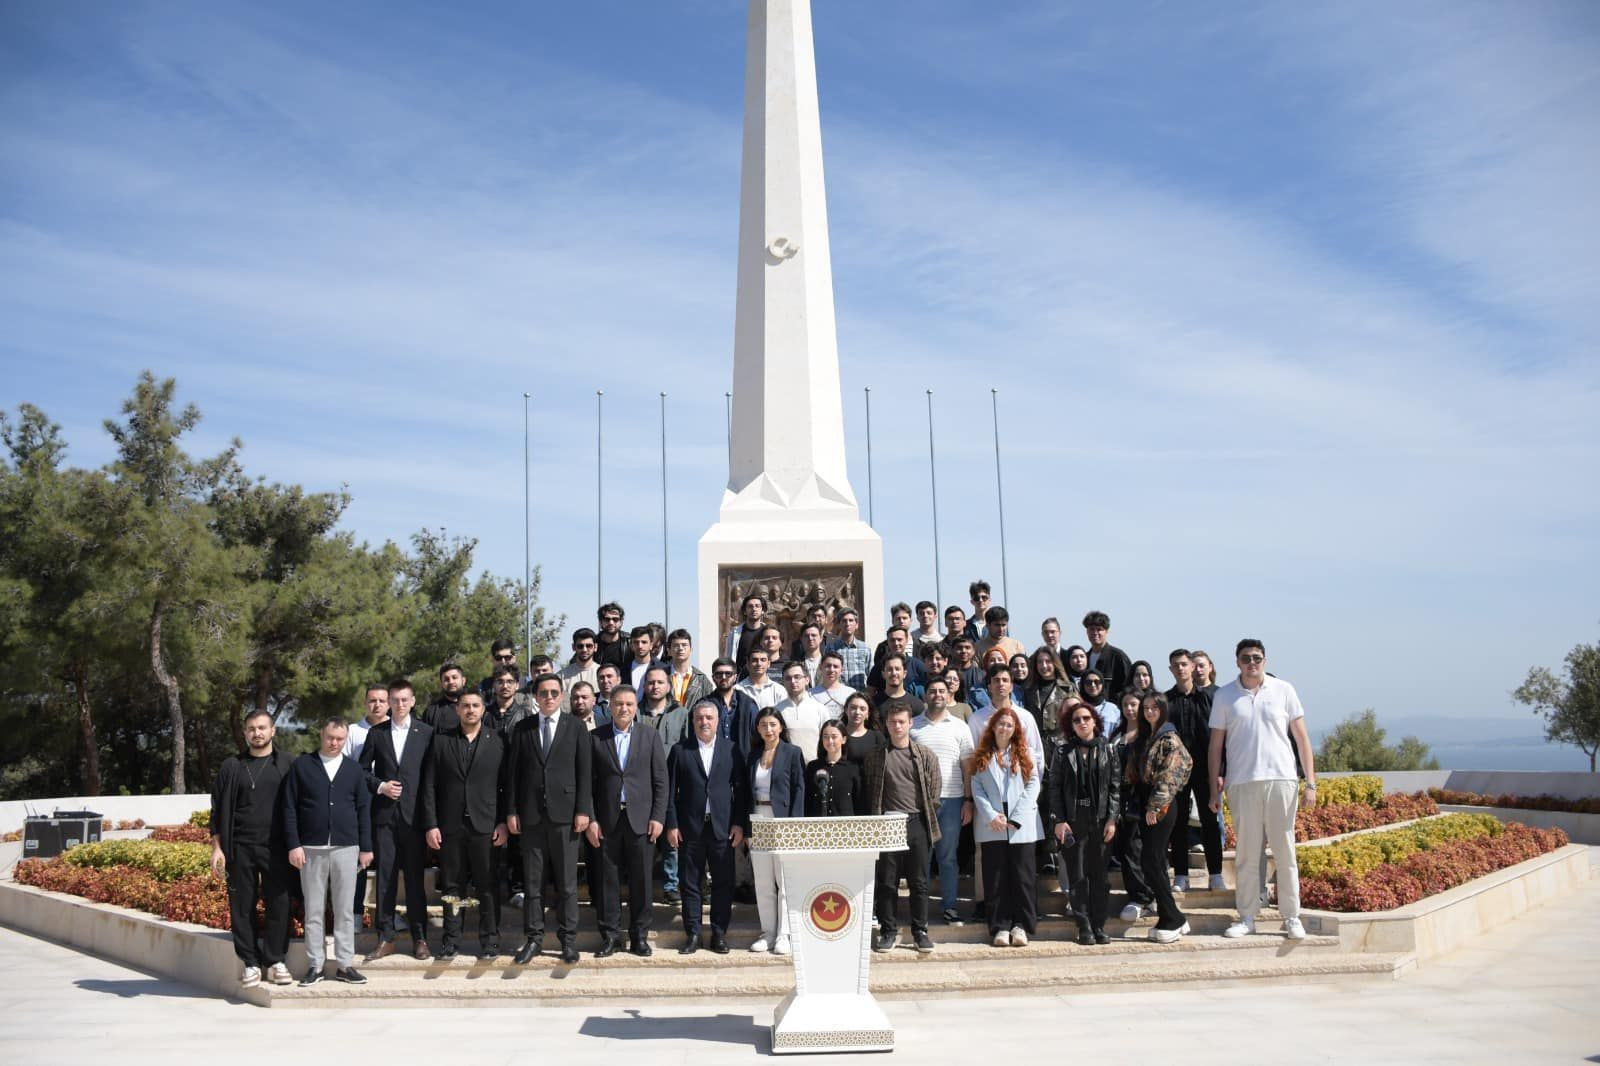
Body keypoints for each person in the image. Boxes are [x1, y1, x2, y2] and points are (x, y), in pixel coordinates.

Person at [1208, 639, 1317, 941]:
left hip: (1282, 780)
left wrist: (1310, 782)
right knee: (1247, 853)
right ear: (1238, 662)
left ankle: (1291, 916)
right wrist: (1213, 789)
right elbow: (1215, 747)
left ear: (1265, 661)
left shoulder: (1284, 690)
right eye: (1246, 658)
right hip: (1242, 783)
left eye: (1257, 658)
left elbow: (1302, 739)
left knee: (1285, 851)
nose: (1252, 663)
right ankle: (1246, 917)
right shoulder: (1226, 696)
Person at [505, 673, 593, 965]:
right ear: (535, 696)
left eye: (555, 692)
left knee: (567, 885)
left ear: (562, 696)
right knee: (533, 885)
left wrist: (583, 810)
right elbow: (513, 775)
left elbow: (584, 773)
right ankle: (534, 940)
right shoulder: (522, 728)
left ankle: (568, 941)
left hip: (566, 817)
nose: (550, 697)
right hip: (530, 818)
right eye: (544, 693)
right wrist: (512, 811)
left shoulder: (576, 727)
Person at [282, 717, 373, 985]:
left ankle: (345, 965)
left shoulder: (354, 770)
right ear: (321, 735)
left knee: (345, 910)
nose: (334, 743)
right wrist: (293, 844)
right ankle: (316, 966)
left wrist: (366, 847)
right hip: (310, 849)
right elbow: (289, 808)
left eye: (340, 739)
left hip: (347, 847)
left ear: (346, 739)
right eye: (330, 737)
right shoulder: (302, 766)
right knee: (313, 910)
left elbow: (363, 810)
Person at [209, 708, 295, 988]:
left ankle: (275, 960)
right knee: (242, 906)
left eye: (262, 728)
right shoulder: (231, 767)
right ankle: (250, 963)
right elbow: (217, 811)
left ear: (273, 731)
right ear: (245, 733)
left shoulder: (288, 764)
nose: (257, 733)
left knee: (279, 904)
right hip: (239, 848)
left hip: (278, 848)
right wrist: (217, 848)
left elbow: (300, 807)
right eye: (251, 729)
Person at [420, 691, 508, 960]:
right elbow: (429, 786)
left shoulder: (499, 741)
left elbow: (506, 787)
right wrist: (431, 824)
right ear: (457, 710)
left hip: (486, 825)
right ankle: (451, 941)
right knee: (451, 886)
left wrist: (503, 822)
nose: (470, 710)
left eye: (475, 705)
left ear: (484, 709)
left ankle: (490, 941)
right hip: (450, 826)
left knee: (487, 885)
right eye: (465, 706)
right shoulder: (440, 740)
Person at [587, 684, 668, 958]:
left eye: (629, 704)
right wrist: (591, 820)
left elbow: (661, 782)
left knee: (642, 882)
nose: (624, 709)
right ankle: (609, 936)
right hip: (607, 821)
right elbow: (587, 784)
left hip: (641, 821)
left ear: (636, 707)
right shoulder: (595, 738)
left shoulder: (650, 736)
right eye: (618, 704)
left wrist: (658, 817)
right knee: (607, 882)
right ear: (610, 706)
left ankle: (639, 937)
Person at [359, 678, 434, 961]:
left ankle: (420, 938)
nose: (400, 704)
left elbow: (431, 778)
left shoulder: (427, 732)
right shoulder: (376, 733)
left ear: (413, 701)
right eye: (395, 700)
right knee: (386, 880)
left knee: (415, 880)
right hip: (386, 818)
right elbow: (362, 772)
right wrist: (381, 786)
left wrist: (430, 820)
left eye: (405, 700)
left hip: (415, 818)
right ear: (388, 702)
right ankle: (386, 937)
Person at [665, 701, 748, 955]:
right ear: (693, 721)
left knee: (723, 883)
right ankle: (693, 934)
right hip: (690, 829)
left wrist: (739, 823)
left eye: (709, 717)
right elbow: (669, 792)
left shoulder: (731, 750)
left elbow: (742, 790)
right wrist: (672, 824)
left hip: (723, 829)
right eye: (700, 717)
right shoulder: (680, 751)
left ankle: (719, 934)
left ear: (717, 720)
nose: (704, 722)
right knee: (690, 884)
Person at [864, 701, 942, 954]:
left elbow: (934, 792)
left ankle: (920, 931)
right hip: (887, 823)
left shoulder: (924, 755)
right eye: (892, 721)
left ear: (910, 723)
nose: (897, 726)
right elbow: (872, 792)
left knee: (919, 882)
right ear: (886, 724)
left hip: (917, 822)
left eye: (902, 721)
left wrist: (923, 814)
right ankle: (888, 931)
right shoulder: (876, 757)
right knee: (887, 882)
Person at [971, 706, 1041, 947]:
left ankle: (1021, 925)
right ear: (993, 727)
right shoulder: (982, 754)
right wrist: (991, 815)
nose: (1004, 728)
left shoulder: (1025, 753)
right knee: (995, 876)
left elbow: (1033, 785)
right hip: (993, 823)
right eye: (1000, 724)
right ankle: (1000, 926)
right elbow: (976, 788)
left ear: (1015, 730)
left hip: (1020, 822)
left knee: (1022, 876)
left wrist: (1018, 816)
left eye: (1009, 725)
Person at [1050, 703, 1120, 945]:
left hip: (1100, 819)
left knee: (1100, 875)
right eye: (1077, 719)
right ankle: (1084, 925)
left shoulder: (1107, 750)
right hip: (1073, 820)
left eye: (1086, 718)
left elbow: (1115, 787)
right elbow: (1055, 788)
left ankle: (1099, 924)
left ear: (1095, 721)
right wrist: (1059, 820)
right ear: (1071, 725)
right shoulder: (1062, 751)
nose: (1082, 723)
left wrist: (1112, 818)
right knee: (1077, 874)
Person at [911, 678, 975, 925]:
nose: (937, 694)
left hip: (952, 800)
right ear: (925, 695)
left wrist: (968, 800)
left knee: (947, 858)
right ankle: (922, 912)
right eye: (932, 690)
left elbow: (967, 767)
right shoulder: (913, 726)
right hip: (919, 804)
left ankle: (949, 907)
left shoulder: (960, 727)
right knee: (922, 860)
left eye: (941, 691)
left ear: (949, 695)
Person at [1132, 694, 1192, 943]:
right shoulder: (1149, 737)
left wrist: (1155, 807)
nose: (1149, 712)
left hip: (1162, 805)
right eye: (1145, 708)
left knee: (1152, 860)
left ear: (1163, 710)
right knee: (1152, 861)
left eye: (1154, 707)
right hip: (1150, 802)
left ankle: (1174, 918)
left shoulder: (1169, 739)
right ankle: (1170, 915)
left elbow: (1170, 775)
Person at [747, 707, 806, 955]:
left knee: (783, 878)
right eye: (763, 725)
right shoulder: (753, 755)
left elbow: (798, 789)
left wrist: (794, 825)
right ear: (758, 729)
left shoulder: (792, 753)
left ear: (780, 727)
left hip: (782, 820)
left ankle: (785, 934)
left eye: (772, 724)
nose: (768, 730)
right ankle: (768, 932)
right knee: (762, 880)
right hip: (758, 818)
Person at [1165, 649, 1224, 892]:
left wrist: (1221, 771)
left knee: (1210, 820)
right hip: (1176, 772)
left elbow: (1221, 737)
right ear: (1171, 670)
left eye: (1184, 664)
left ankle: (1216, 874)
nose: (1180, 669)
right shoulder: (1166, 700)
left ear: (1192, 667)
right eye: (1175, 665)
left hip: (1206, 769)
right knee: (1177, 822)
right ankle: (1180, 875)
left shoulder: (1211, 698)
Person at [635, 664, 690, 905]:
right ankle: (641, 883)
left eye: (659, 682)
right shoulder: (636, 713)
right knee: (642, 835)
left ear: (669, 686)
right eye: (650, 682)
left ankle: (671, 885)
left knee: (671, 836)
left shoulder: (682, 713)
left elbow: (688, 749)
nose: (655, 686)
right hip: (641, 784)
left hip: (673, 784)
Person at [1110, 690, 1156, 921]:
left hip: (1142, 799)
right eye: (1126, 704)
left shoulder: (1149, 735)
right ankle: (1139, 895)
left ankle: (1144, 897)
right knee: (1127, 849)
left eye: (1134, 704)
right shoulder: (1116, 735)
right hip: (1119, 799)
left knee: (1138, 850)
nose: (1130, 709)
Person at [805, 718, 865, 816]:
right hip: (817, 828)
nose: (830, 741)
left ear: (844, 739)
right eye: (825, 737)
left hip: (846, 827)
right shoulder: (813, 767)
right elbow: (807, 799)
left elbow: (860, 803)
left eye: (834, 737)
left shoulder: (854, 768)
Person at [775, 660, 829, 760]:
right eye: (788, 678)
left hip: (814, 767)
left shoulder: (820, 709)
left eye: (797, 677)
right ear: (783, 682)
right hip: (787, 768)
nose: (793, 681)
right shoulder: (777, 711)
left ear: (807, 680)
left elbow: (827, 740)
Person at [1026, 648, 1071, 751]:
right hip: (1034, 747)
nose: (1044, 666)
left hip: (1062, 748)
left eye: (1048, 661)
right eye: (1040, 662)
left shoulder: (1067, 689)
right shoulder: (1029, 689)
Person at [1081, 611, 1133, 700]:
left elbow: (1129, 687)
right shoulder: (1084, 658)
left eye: (1099, 629)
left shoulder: (1118, 657)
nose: (1095, 633)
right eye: (1091, 629)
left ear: (1107, 631)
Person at [664, 628, 713, 711]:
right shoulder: (660, 676)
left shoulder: (702, 680)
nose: (680, 648)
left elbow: (709, 708)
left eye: (684, 645)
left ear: (691, 649)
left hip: (692, 722)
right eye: (676, 645)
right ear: (669, 651)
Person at [825, 608, 873, 690]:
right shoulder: (830, 648)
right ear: (839, 624)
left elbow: (871, 675)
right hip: (838, 696)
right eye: (844, 621)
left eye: (851, 620)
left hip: (859, 696)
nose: (847, 624)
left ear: (856, 625)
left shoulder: (865, 648)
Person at [839, 692, 887, 768]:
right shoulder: (837, 735)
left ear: (868, 714)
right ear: (846, 710)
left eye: (862, 709)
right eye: (853, 708)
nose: (857, 712)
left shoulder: (877, 737)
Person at [344, 683, 389, 760]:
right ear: (365, 703)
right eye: (373, 701)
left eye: (382, 701)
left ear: (389, 704)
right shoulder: (352, 731)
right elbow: (344, 763)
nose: (377, 705)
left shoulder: (397, 729)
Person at [422, 661, 469, 733]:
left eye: (454, 677)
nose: (451, 682)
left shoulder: (476, 706)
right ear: (441, 684)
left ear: (463, 680)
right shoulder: (432, 712)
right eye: (446, 679)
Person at [725, 593, 767, 669]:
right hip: (741, 678)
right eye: (750, 606)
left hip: (764, 677)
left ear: (762, 611)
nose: (754, 609)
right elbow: (729, 657)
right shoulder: (734, 633)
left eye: (757, 606)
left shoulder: (768, 632)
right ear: (745, 611)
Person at [559, 627, 601, 703]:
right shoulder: (561, 676)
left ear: (595, 647)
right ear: (573, 647)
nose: (584, 650)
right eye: (580, 646)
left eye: (588, 646)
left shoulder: (603, 674)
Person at [593, 602, 630, 672]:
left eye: (615, 619)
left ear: (621, 622)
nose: (611, 623)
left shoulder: (630, 642)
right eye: (607, 619)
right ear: (600, 621)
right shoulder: (592, 643)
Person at [625, 625, 662, 691]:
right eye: (636, 642)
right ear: (631, 645)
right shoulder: (623, 670)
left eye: (644, 642)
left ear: (651, 645)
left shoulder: (662, 668)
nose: (640, 646)